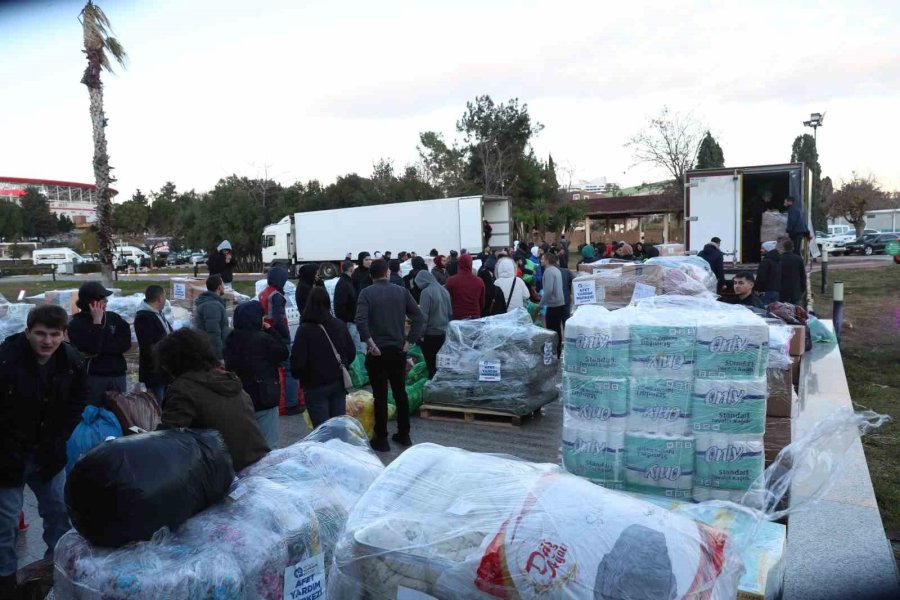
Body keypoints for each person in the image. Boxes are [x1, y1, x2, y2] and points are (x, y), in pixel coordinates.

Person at [0, 306, 84, 596]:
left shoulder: (71, 361)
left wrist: (60, 437)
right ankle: (6, 579)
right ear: (27, 332)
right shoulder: (6, 360)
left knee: (58, 513)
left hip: (49, 454)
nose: (47, 341)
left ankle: (52, 571)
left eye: (54, 334)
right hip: (8, 456)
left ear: (64, 335)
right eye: (40, 334)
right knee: (6, 522)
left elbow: (77, 403)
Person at [156, 328, 269, 471]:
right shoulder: (226, 379)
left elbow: (168, 438)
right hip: (257, 460)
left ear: (171, 361)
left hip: (225, 470)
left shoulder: (183, 389)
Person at [355, 259, 425, 452]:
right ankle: (404, 434)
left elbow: (360, 321)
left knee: (379, 395)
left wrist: (370, 343)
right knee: (400, 392)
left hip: (377, 351)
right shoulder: (401, 292)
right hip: (398, 350)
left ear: (371, 275)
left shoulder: (366, 293)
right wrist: (408, 341)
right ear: (387, 273)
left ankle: (381, 438)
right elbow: (418, 317)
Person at [224, 300, 287, 450]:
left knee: (248, 444)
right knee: (269, 444)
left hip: (240, 397)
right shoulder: (262, 339)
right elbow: (283, 352)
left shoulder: (231, 339)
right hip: (264, 396)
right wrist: (271, 330)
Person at [291, 288, 356, 429]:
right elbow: (351, 351)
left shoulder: (304, 330)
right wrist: (342, 365)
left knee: (323, 429)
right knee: (338, 426)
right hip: (338, 381)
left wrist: (302, 377)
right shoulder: (339, 325)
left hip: (314, 385)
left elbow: (298, 362)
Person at [68, 282, 131, 405]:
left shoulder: (114, 318)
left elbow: (125, 344)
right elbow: (92, 348)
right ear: (91, 302)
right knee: (93, 410)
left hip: (117, 374)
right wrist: (97, 322)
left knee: (119, 411)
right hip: (94, 376)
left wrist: (103, 347)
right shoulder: (76, 323)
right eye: (102, 298)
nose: (106, 301)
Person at [259, 266, 301, 415]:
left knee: (273, 369)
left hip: (267, 335)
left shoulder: (263, 293)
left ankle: (277, 401)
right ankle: (291, 404)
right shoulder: (277, 296)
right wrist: (286, 335)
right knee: (289, 369)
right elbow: (278, 319)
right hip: (278, 336)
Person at [134, 285, 173, 405]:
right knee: (158, 405)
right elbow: (148, 346)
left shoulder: (158, 314)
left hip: (165, 369)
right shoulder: (144, 317)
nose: (165, 300)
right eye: (165, 297)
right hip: (155, 371)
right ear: (160, 298)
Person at [415, 269, 452, 379]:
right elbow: (450, 312)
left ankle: (432, 384)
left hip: (430, 334)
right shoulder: (444, 290)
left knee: (431, 365)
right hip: (444, 332)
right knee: (441, 364)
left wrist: (420, 334)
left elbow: (424, 316)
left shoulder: (426, 292)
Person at [193, 275, 230, 362]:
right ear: (219, 287)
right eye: (223, 284)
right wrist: (219, 357)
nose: (224, 287)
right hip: (213, 355)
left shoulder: (211, 302)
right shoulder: (212, 305)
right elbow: (213, 333)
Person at [540, 251, 566, 358]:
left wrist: (541, 304)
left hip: (553, 305)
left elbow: (548, 291)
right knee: (557, 329)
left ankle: (553, 352)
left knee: (551, 330)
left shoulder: (548, 271)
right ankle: (558, 351)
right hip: (560, 303)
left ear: (547, 260)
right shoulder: (556, 270)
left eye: (542, 259)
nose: (541, 260)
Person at [444, 254, 485, 320]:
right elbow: (482, 302)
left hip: (457, 316)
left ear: (459, 264)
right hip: (475, 316)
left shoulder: (451, 281)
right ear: (471, 264)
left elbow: (445, 300)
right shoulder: (479, 281)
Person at [778, 238, 807, 305]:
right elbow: (802, 275)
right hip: (795, 290)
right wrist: (803, 288)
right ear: (793, 248)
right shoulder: (798, 259)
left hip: (782, 290)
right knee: (795, 309)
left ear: (784, 248)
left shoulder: (779, 258)